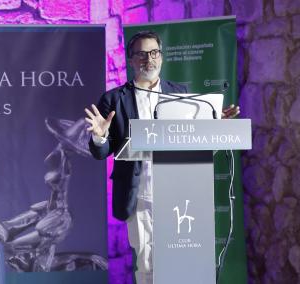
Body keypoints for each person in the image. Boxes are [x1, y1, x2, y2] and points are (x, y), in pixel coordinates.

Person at [85, 31, 239, 284]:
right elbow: (100, 153)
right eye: (142, 54)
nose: (150, 59)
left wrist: (213, 126)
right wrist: (100, 136)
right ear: (131, 60)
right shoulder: (113, 99)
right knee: (148, 266)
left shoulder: (181, 93)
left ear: (162, 57)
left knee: (186, 265)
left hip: (181, 193)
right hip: (140, 195)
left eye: (155, 52)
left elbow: (194, 141)